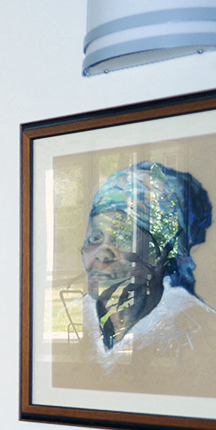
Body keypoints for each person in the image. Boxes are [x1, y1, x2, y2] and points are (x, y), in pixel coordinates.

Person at [60, 160, 216, 397]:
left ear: (163, 253)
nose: (102, 253)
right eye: (94, 238)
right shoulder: (70, 316)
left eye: (123, 238)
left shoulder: (202, 330)